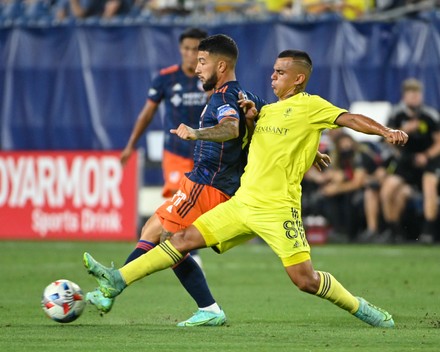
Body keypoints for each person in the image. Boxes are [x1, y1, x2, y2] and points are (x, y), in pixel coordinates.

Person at [83, 48, 408, 328]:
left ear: (298, 78)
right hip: (242, 203)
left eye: (281, 72)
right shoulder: (264, 110)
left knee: (304, 280)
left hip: (278, 208)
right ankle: (118, 280)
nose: (273, 76)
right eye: (272, 70)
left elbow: (348, 118)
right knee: (180, 239)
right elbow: (268, 145)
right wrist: (259, 124)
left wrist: (385, 130)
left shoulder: (311, 106)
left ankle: (360, 307)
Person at [85, 33, 267, 327]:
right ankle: (118, 287)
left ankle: (115, 285)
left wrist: (197, 133)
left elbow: (230, 128)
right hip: (199, 180)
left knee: (169, 240)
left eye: (202, 61)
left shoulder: (224, 97)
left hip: (208, 185)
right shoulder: (246, 96)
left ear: (221, 66)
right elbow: (271, 122)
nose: (197, 68)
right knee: (152, 227)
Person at [120, 27, 208, 198]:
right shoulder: (166, 78)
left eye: (195, 49)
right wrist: (131, 145)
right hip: (175, 150)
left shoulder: (212, 79)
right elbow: (147, 114)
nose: (190, 54)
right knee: (178, 200)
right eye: (186, 48)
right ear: (180, 49)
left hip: (206, 152)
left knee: (203, 203)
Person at [380, 78, 440, 244]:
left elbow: (439, 142)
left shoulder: (430, 115)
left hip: (429, 160)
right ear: (404, 96)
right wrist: (404, 130)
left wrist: (426, 156)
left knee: (429, 185)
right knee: (388, 189)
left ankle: (428, 232)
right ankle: (394, 231)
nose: (414, 97)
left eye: (417, 94)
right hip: (406, 160)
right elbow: (387, 140)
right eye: (411, 94)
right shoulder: (397, 115)